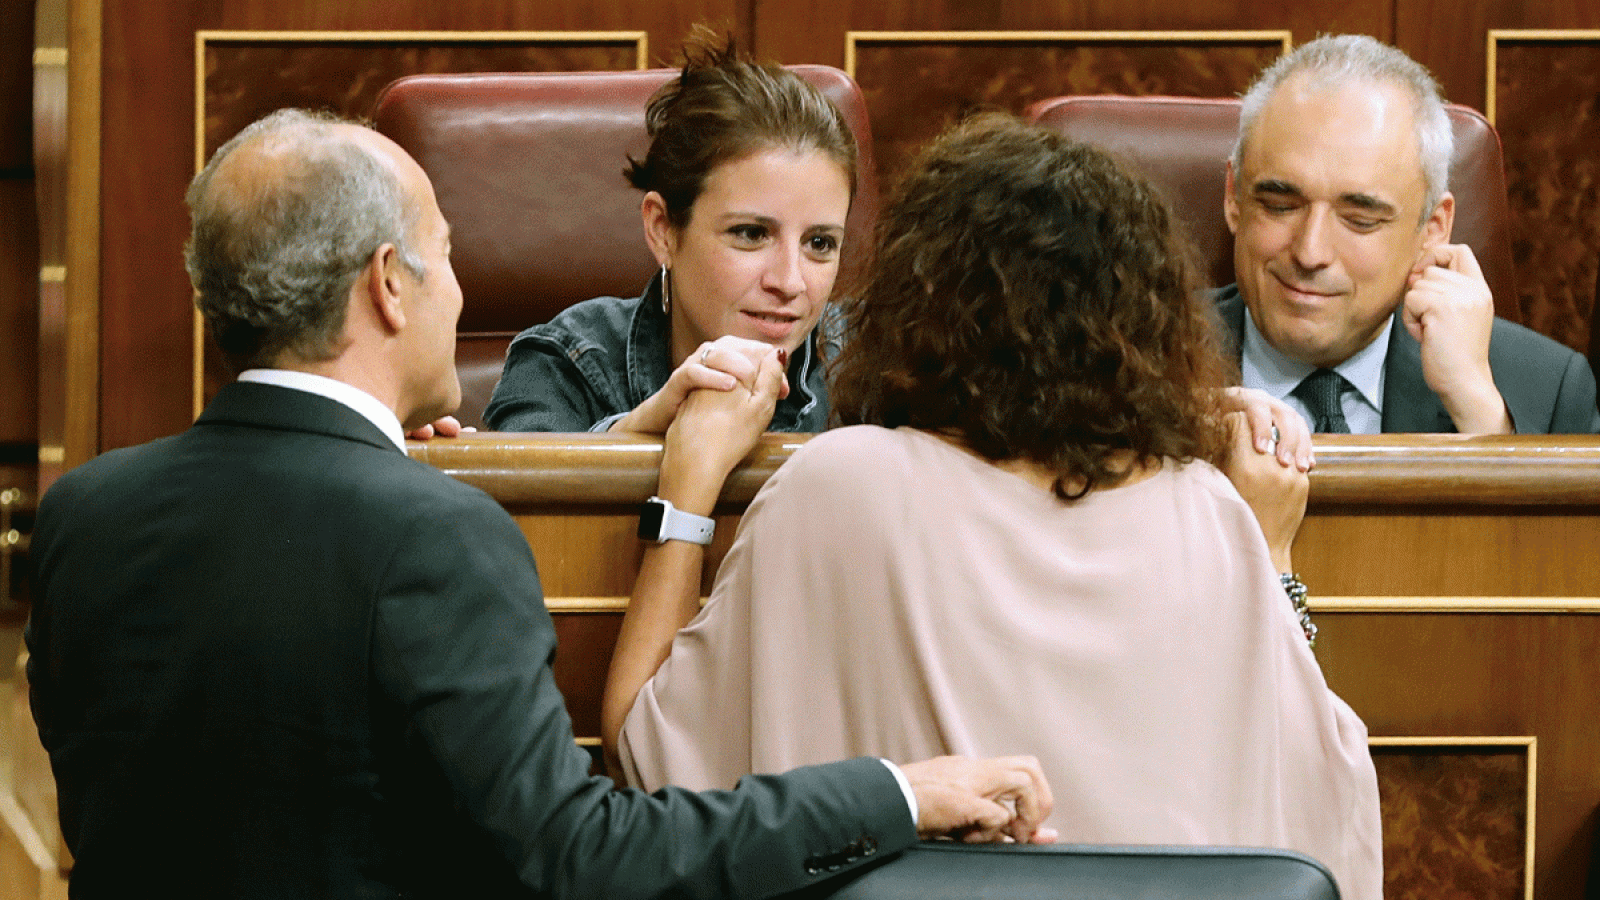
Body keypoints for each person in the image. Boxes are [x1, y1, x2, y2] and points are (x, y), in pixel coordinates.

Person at [24, 109, 1055, 899]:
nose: (462, 291)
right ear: (391, 284)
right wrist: (895, 793)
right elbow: (582, 859)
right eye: (450, 251)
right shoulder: (435, 536)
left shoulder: (87, 514)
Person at [604, 115, 1383, 900]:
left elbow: (647, 763)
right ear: (1143, 321)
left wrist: (688, 487)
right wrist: (1273, 553)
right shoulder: (1211, 510)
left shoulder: (840, 486)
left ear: (920, 300)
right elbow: (1331, 810)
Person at [1219, 33, 1600, 434]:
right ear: (1234, 199)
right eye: (1280, 205)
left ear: (1432, 230)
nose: (1310, 252)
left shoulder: (1549, 389)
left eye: (1360, 220)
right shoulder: (1149, 363)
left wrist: (1477, 409)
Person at [483, 33, 849, 435]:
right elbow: (521, 492)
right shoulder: (566, 361)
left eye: (819, 243)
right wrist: (641, 431)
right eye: (750, 234)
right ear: (663, 231)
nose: (789, 282)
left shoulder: (876, 361)